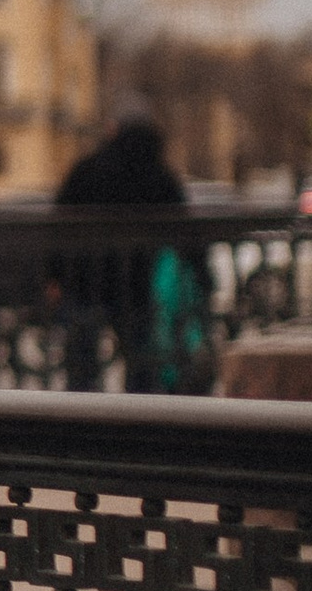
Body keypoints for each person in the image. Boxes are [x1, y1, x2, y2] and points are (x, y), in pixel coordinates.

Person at [52, 105, 201, 391]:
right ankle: (138, 422)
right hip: (136, 284)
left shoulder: (89, 168)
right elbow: (185, 229)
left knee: (82, 366)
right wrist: (200, 275)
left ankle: (80, 425)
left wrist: (54, 274)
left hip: (85, 282)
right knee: (142, 362)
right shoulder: (158, 174)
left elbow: (60, 224)